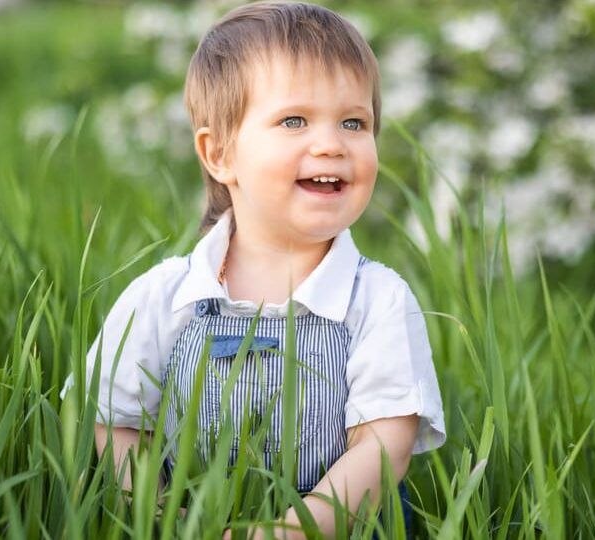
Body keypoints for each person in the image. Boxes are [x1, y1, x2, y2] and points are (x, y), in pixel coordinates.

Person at [68, 1, 445, 537]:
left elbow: (385, 446)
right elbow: (113, 422)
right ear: (219, 153)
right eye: (294, 120)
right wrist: (165, 518)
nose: (331, 144)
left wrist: (288, 533)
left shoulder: (378, 299)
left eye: (354, 122)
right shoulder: (165, 296)